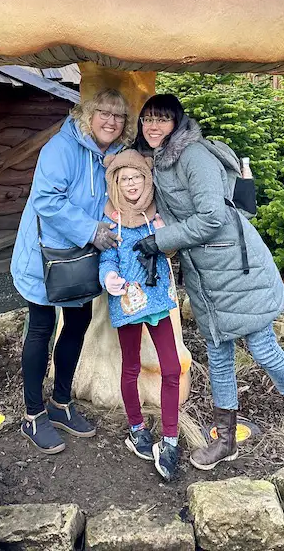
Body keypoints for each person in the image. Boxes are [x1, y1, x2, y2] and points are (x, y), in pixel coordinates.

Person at [134, 94, 284, 470]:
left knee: (264, 349)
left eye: (162, 119)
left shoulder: (193, 156)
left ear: (176, 123)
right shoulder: (158, 162)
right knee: (219, 356)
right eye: (148, 119)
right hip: (203, 273)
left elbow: (212, 216)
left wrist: (159, 242)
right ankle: (225, 440)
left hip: (234, 267)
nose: (153, 126)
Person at [11, 88, 134, 454]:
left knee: (76, 325)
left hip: (80, 260)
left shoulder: (113, 155)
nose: (110, 121)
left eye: (118, 116)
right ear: (87, 115)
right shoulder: (60, 149)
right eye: (103, 113)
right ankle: (33, 415)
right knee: (41, 329)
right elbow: (47, 201)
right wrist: (91, 230)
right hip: (45, 257)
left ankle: (61, 403)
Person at [98, 150, 182, 481]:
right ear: (116, 184)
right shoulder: (111, 220)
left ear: (147, 181)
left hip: (157, 300)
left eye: (137, 178)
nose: (132, 184)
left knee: (171, 366)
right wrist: (109, 278)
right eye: (124, 179)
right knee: (131, 366)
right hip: (128, 303)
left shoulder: (156, 215)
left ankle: (171, 438)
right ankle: (136, 427)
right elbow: (107, 259)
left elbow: (172, 250)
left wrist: (165, 234)